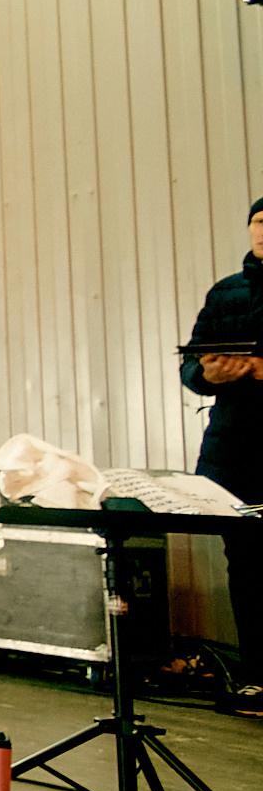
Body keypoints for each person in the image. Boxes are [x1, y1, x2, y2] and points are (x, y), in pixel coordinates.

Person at [180, 197, 263, 716]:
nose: (262, 231)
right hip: (238, 452)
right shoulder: (226, 292)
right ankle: (257, 679)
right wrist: (210, 374)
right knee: (249, 565)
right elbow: (192, 365)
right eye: (257, 222)